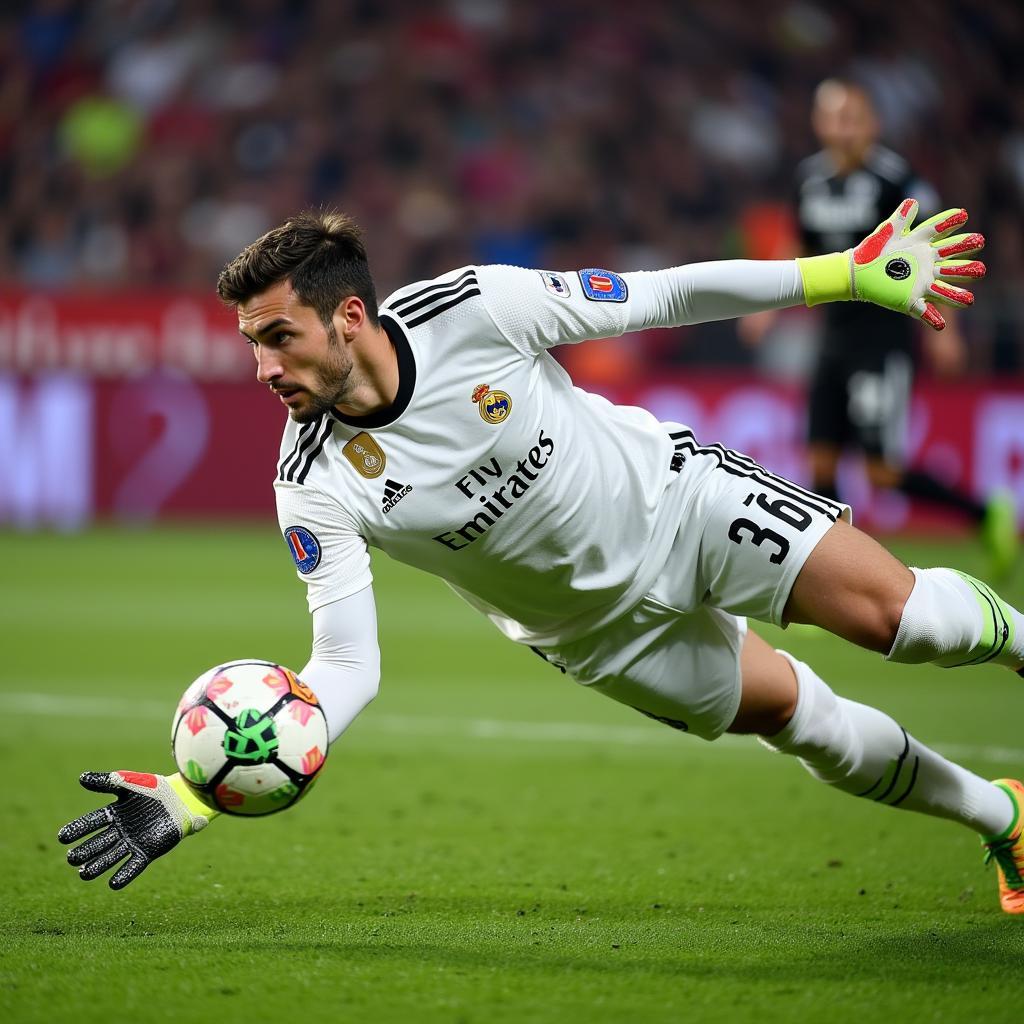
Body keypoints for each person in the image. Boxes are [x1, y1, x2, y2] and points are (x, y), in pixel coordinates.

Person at [57, 202, 1024, 916]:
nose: (263, 368)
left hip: (680, 503)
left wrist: (842, 275)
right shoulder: (311, 482)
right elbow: (347, 664)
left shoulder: (477, 308)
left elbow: (668, 295)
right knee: (804, 724)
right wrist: (196, 793)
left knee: (904, 622)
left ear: (348, 316)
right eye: (252, 345)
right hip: (593, 636)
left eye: (279, 338)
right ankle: (1002, 818)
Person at [793, 78, 1017, 576]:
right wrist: (767, 308)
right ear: (818, 123)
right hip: (832, 339)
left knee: (883, 472)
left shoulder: (898, 181)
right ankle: (830, 578)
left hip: (883, 339)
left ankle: (985, 515)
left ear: (873, 123)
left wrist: (950, 331)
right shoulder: (808, 181)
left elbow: (939, 252)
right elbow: (800, 249)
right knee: (821, 465)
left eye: (852, 117)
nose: (841, 128)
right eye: (832, 117)